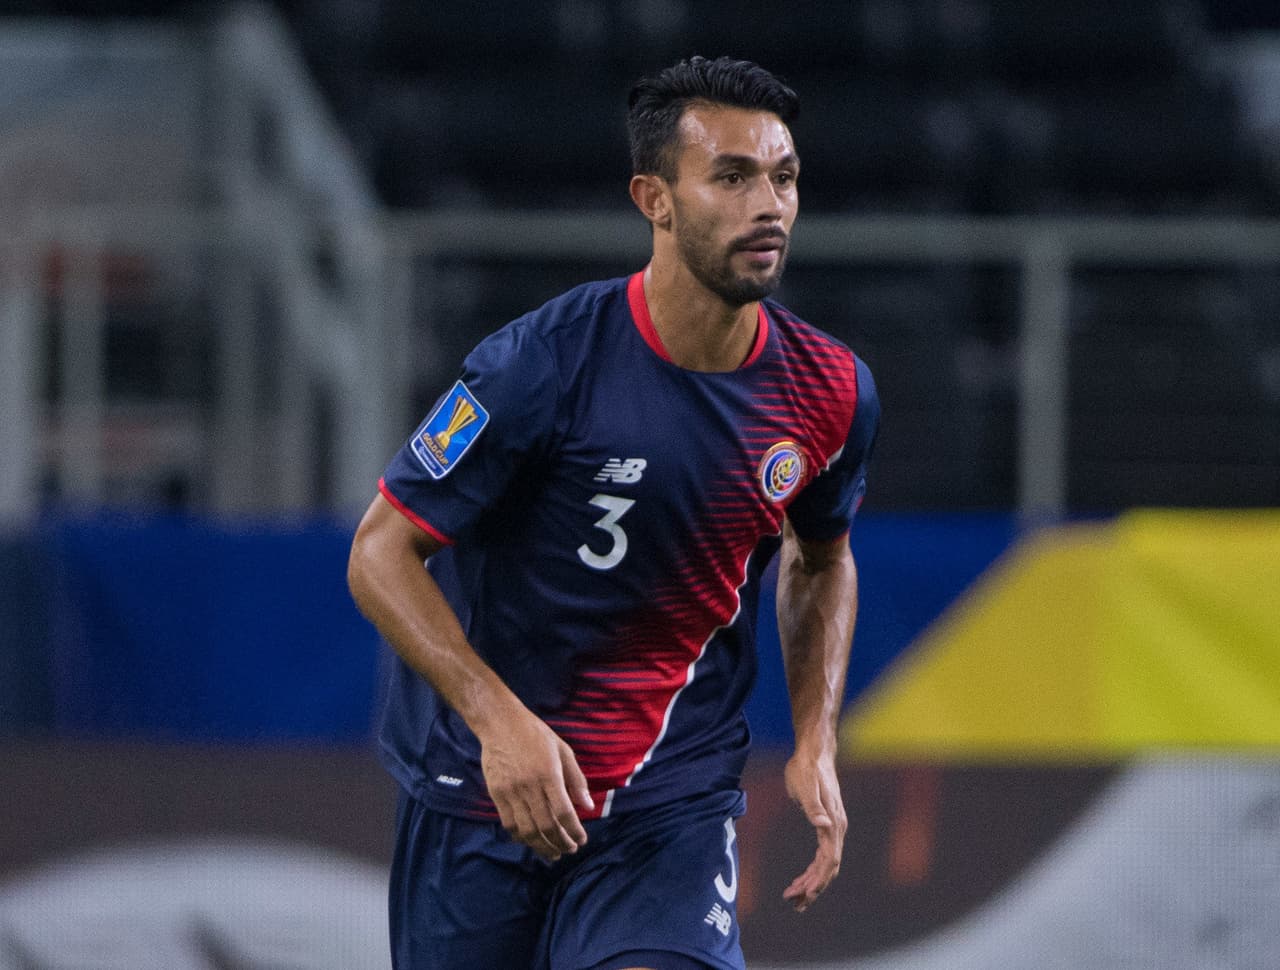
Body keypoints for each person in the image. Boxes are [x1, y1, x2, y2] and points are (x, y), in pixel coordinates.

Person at [347, 55, 880, 970]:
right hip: (482, 793)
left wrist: (815, 740)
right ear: (655, 198)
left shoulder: (830, 391)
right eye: (732, 176)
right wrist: (498, 720)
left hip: (666, 806)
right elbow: (380, 553)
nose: (770, 204)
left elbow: (820, 558)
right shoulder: (538, 367)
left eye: (784, 177)